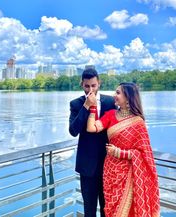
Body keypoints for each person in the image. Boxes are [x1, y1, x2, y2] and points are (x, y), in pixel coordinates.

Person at [87, 82, 160, 217]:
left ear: (128, 97)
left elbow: (144, 153)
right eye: (115, 92)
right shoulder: (110, 115)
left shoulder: (138, 122)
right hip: (110, 171)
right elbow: (91, 128)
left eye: (118, 93)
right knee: (111, 209)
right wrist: (92, 108)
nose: (115, 95)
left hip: (129, 173)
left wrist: (119, 152)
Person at [69, 68, 115, 217]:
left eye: (93, 86)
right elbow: (73, 131)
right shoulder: (76, 104)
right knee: (89, 210)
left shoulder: (111, 101)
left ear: (99, 83)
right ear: (82, 84)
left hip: (109, 165)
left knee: (107, 210)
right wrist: (86, 106)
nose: (90, 90)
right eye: (87, 86)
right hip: (87, 166)